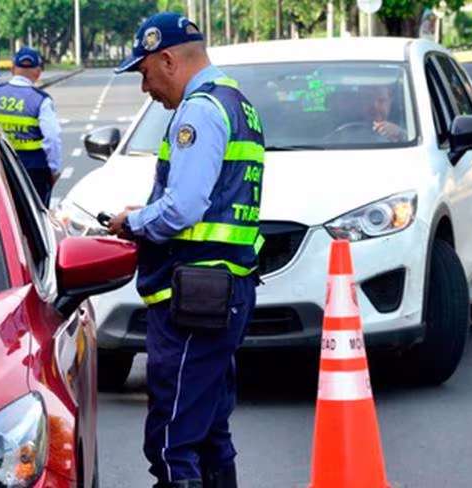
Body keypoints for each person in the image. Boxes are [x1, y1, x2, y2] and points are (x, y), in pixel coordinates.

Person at [108, 12, 265, 488]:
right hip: (223, 290)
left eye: (144, 72)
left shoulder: (198, 109)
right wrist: (156, 207)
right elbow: (212, 199)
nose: (145, 88)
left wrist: (133, 221)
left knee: (173, 440)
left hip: (195, 297)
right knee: (209, 429)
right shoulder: (238, 104)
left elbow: (187, 207)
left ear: (168, 59)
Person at [0, 46, 62, 205]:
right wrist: (53, 171)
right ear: (38, 71)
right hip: (33, 171)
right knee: (35, 222)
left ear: (12, 69)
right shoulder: (41, 100)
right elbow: (52, 140)